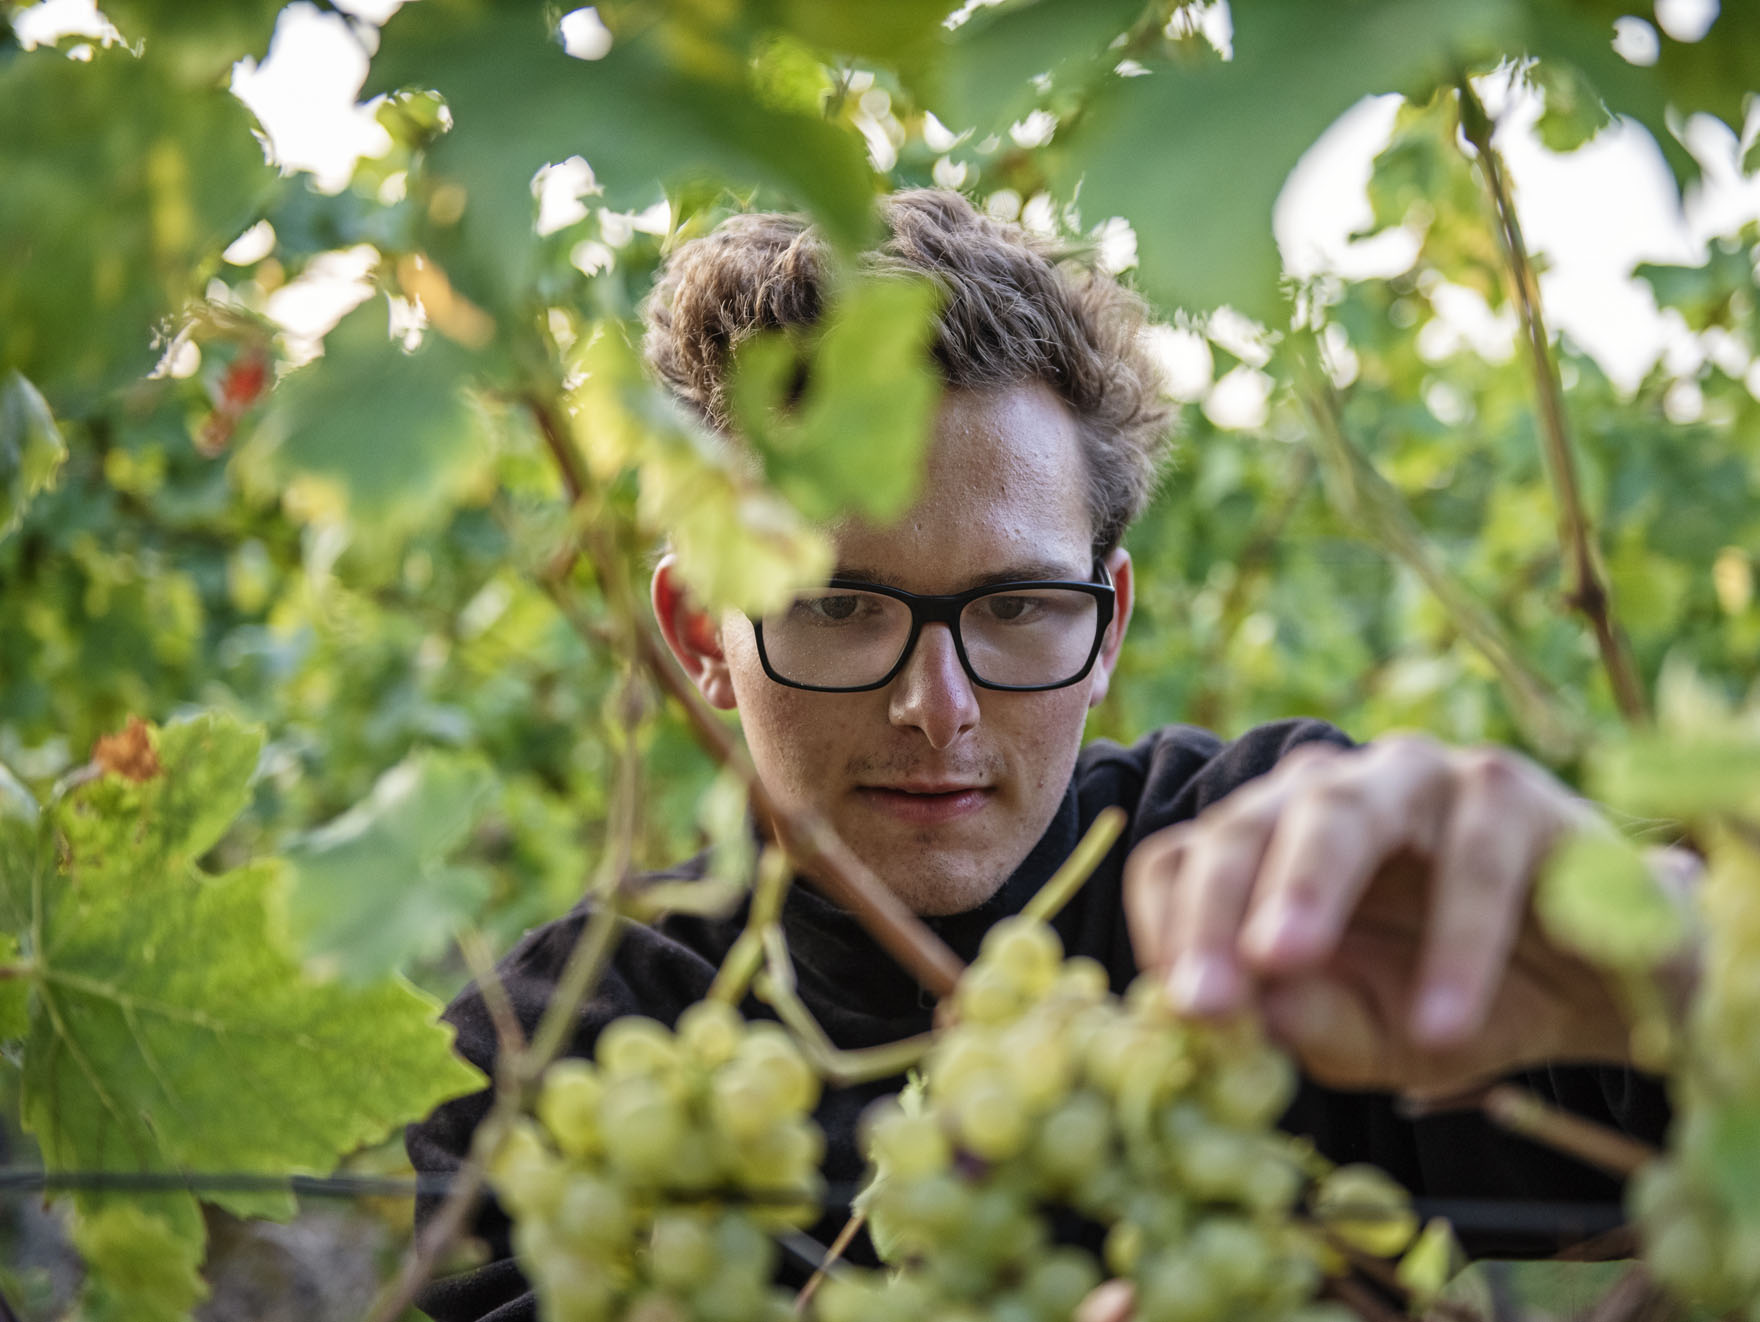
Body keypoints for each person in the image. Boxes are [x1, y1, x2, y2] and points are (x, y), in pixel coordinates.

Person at [408, 188, 1669, 1322]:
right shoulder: (556, 1059)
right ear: (700, 633)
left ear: (1108, 620)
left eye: (1016, 608)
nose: (937, 705)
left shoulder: (1282, 883)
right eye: (842, 608)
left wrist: (1667, 946)